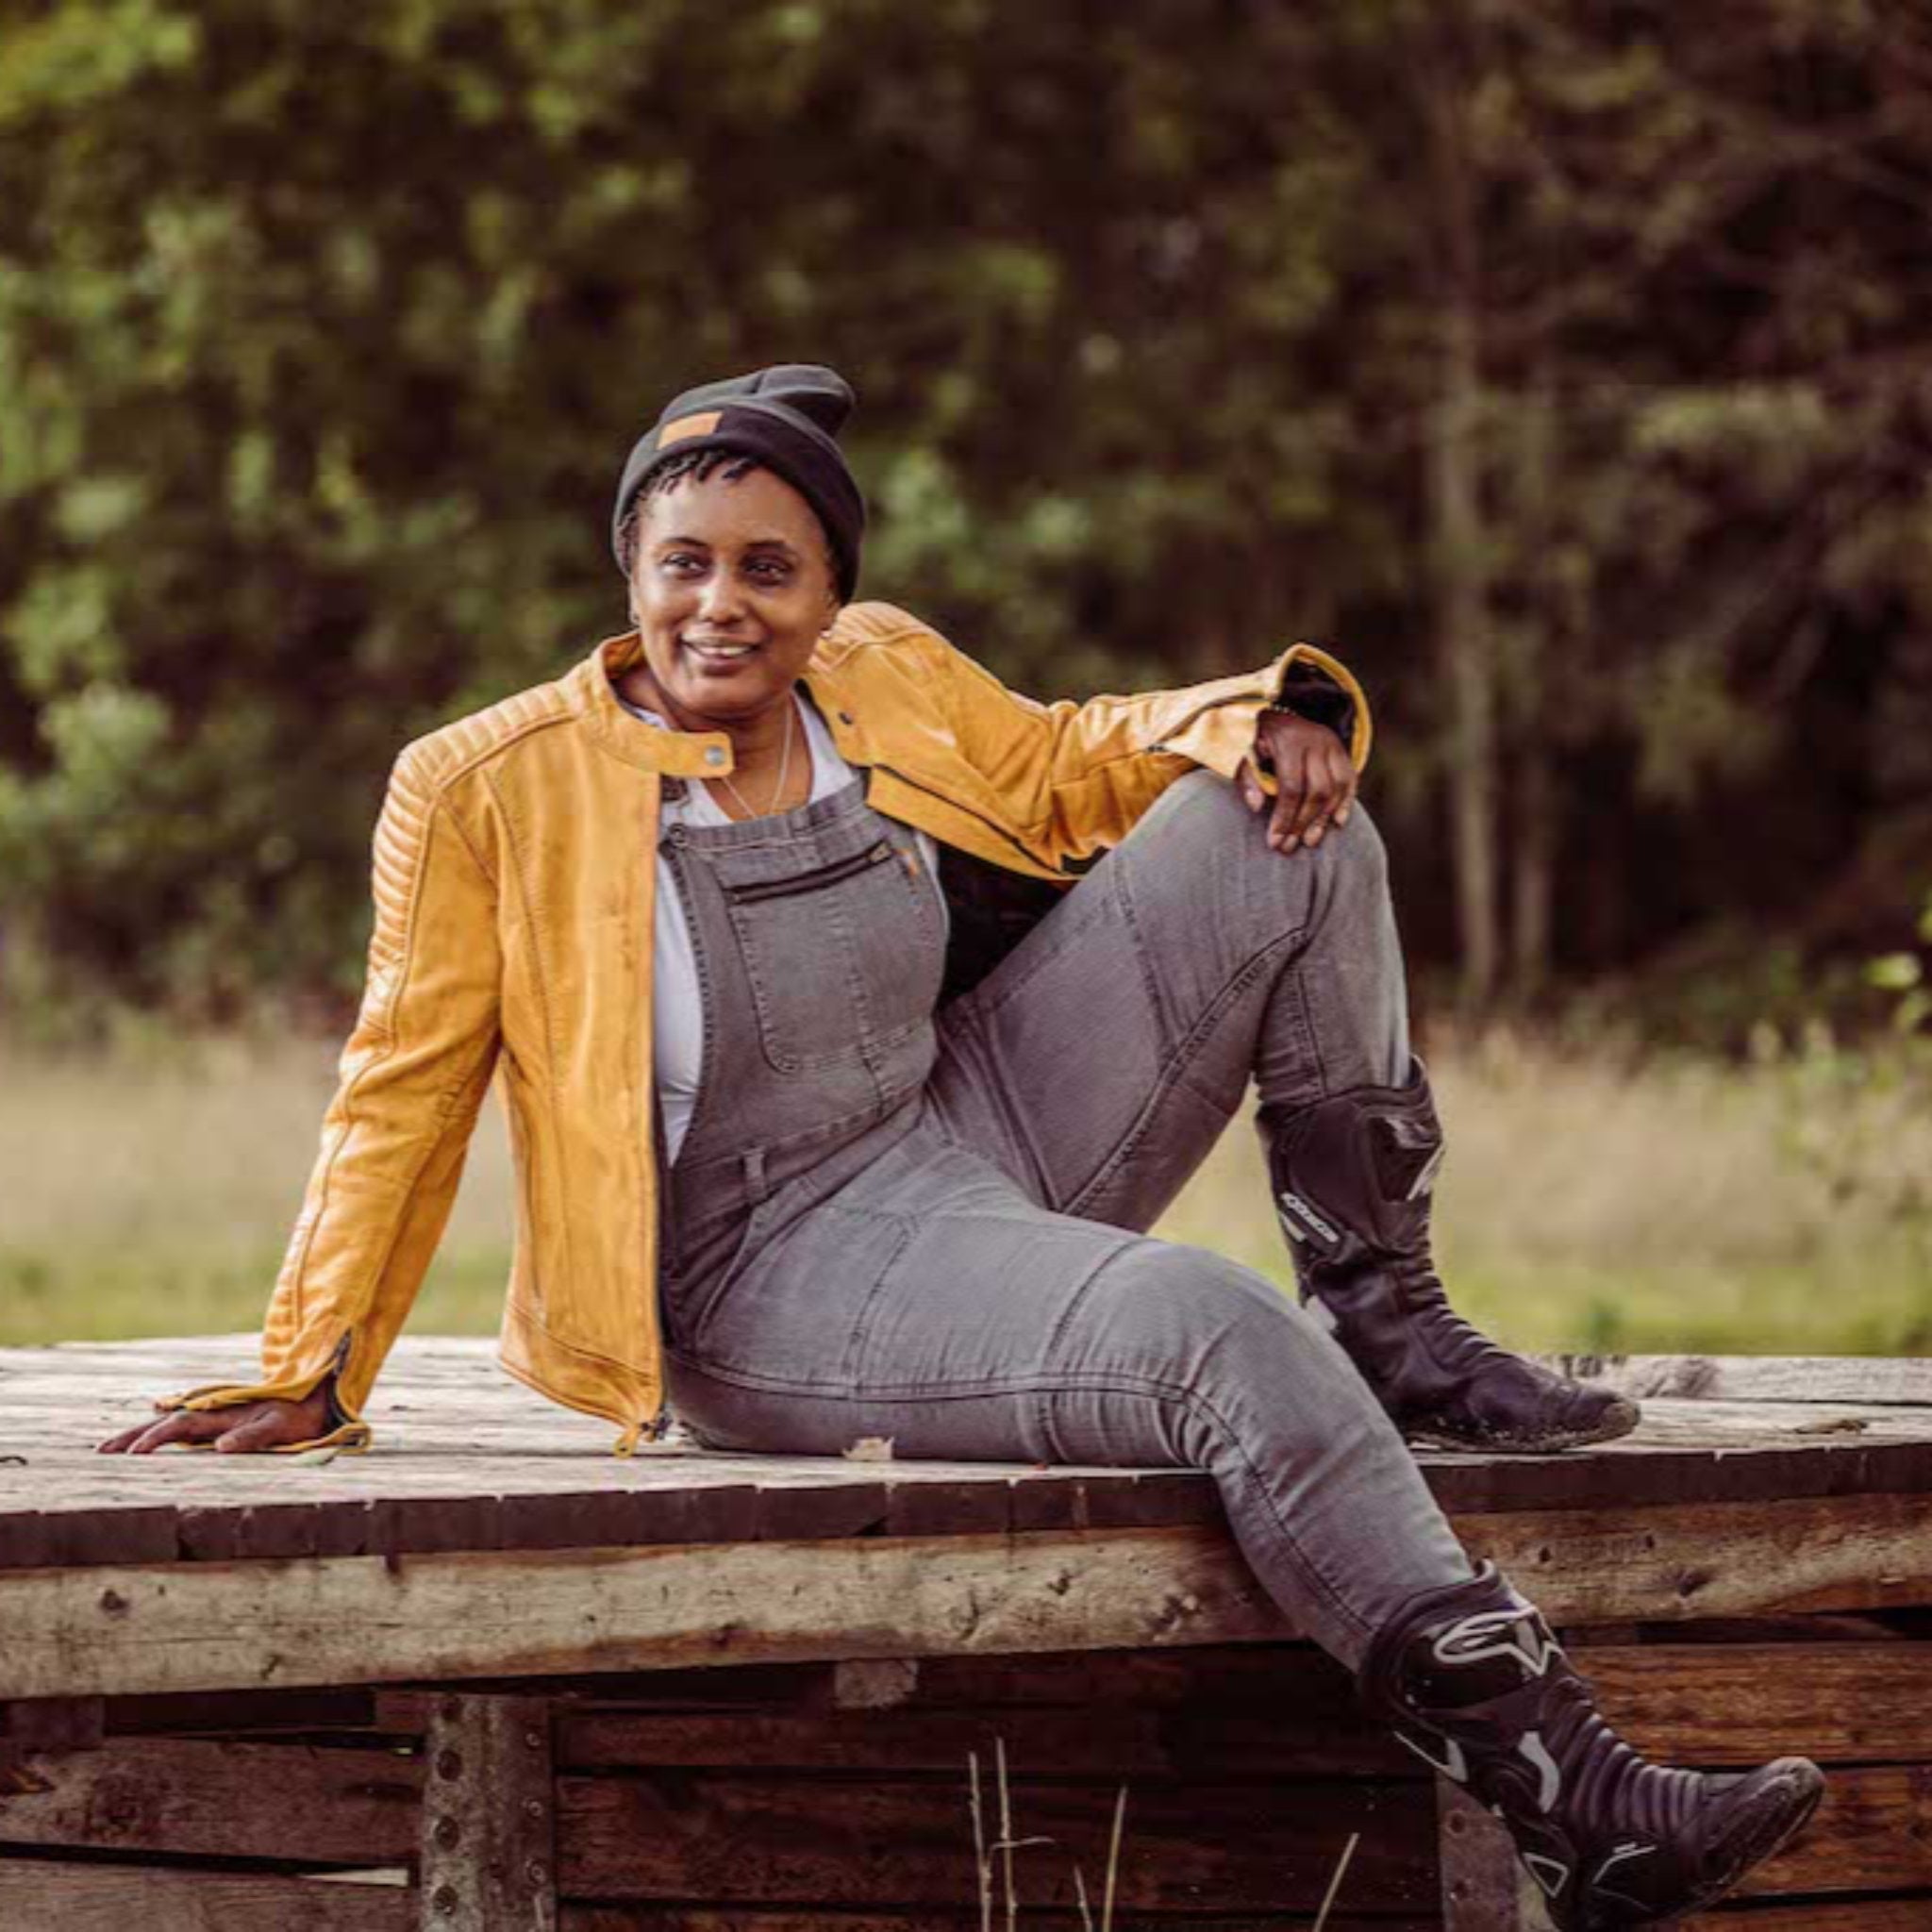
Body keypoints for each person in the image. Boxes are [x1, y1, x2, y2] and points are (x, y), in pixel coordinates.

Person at [100, 364, 1822, 1925]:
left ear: (830, 589)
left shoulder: (881, 677)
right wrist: (307, 1364)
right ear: (629, 569)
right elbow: (399, 1083)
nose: (724, 603)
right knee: (1212, 1328)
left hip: (965, 1128)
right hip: (768, 1275)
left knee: (1296, 829)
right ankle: (1577, 1803)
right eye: (684, 560)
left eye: (771, 568)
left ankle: (1392, 1319)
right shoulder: (487, 787)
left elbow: (1067, 763)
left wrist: (1250, 716)